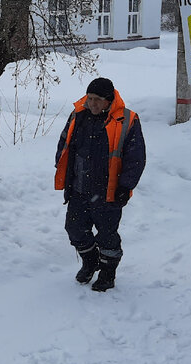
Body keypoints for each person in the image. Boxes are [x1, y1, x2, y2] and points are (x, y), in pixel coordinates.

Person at [54, 77, 146, 292]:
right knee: (74, 229)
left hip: (109, 192)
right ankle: (90, 261)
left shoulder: (127, 120)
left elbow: (136, 157)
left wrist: (126, 185)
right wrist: (62, 166)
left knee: (107, 235)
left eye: (97, 100)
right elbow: (65, 143)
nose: (92, 104)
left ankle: (107, 272)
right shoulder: (78, 115)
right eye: (89, 98)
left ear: (109, 100)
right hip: (79, 189)